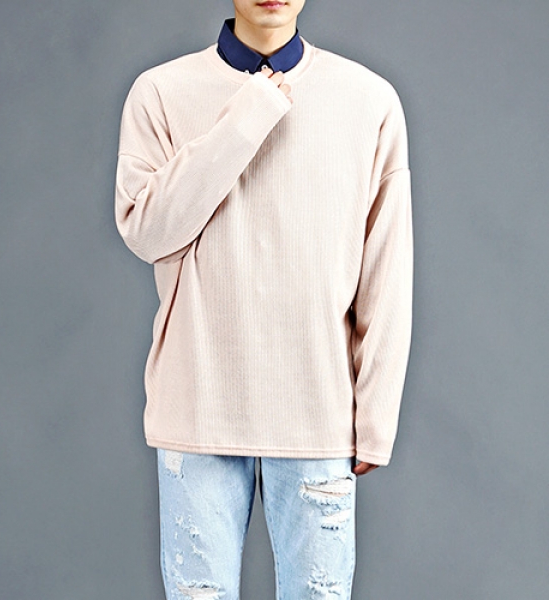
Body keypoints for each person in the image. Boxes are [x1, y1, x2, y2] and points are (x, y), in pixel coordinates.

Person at [114, 0, 413, 598]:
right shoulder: (161, 93)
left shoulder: (368, 99)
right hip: (197, 405)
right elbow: (146, 232)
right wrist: (249, 112)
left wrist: (376, 414)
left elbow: (387, 269)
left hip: (318, 410)